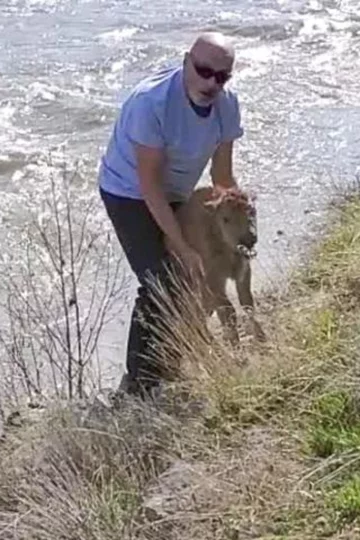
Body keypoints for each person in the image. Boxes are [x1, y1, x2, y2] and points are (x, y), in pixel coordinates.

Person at [97, 31, 245, 397]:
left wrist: (237, 217)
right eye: (204, 70)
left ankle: (173, 360)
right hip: (128, 191)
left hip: (178, 191)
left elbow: (222, 177)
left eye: (221, 76)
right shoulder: (152, 103)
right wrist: (181, 245)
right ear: (186, 62)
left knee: (203, 272)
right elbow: (149, 185)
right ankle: (139, 385)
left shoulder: (227, 106)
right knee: (162, 278)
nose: (211, 82)